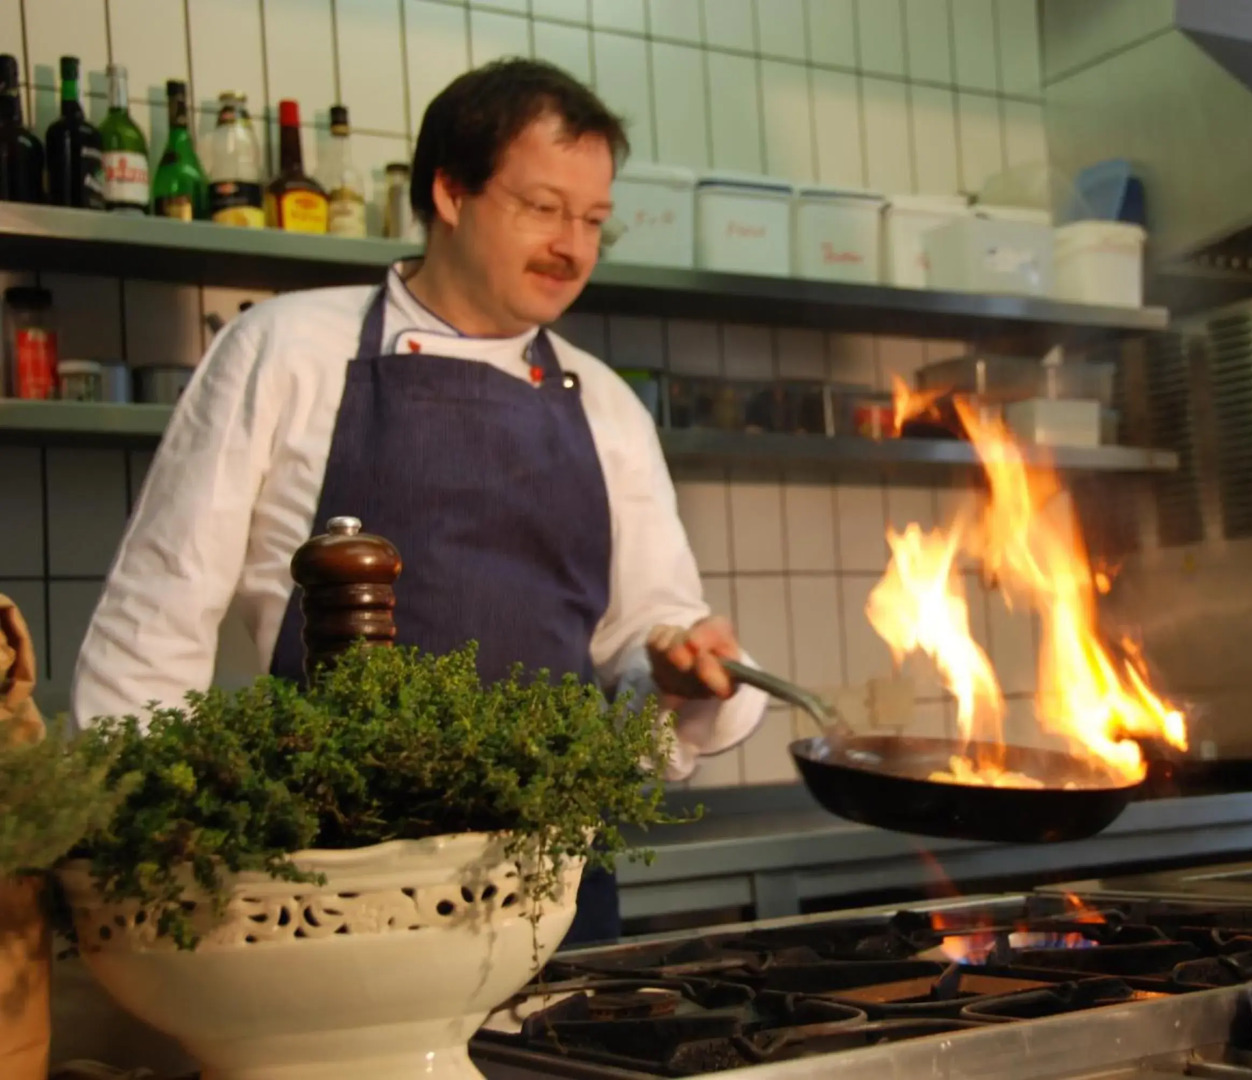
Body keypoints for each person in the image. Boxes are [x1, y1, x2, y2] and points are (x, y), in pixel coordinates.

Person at [69, 59, 769, 946]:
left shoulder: (603, 402)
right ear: (449, 191)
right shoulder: (286, 348)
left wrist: (680, 669)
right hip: (329, 876)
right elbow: (159, 607)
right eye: (543, 208)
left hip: (551, 883)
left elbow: (644, 629)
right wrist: (135, 837)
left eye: (594, 220)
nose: (572, 246)